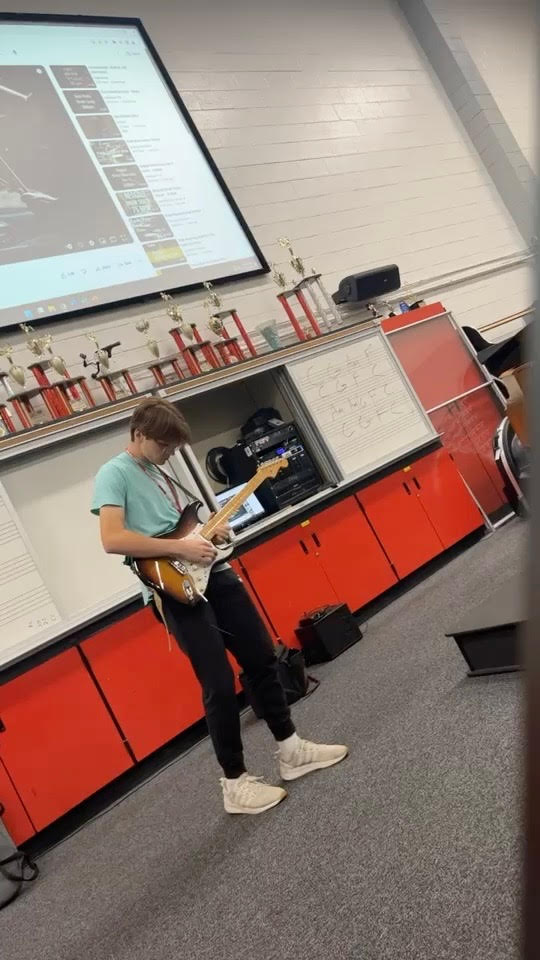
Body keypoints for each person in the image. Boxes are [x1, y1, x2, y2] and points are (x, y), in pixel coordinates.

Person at [92, 397, 348, 814]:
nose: (169, 454)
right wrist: (181, 546)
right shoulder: (113, 474)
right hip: (174, 590)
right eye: (164, 446)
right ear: (138, 434)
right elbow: (112, 539)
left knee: (262, 657)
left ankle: (291, 749)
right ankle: (235, 783)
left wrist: (211, 534)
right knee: (217, 682)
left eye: (174, 448)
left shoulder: (159, 472)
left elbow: (183, 529)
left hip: (214, 574)